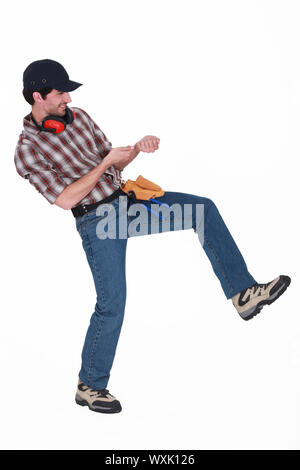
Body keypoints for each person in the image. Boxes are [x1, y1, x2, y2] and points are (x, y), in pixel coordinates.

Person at [14, 59, 291, 414]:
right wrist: (103, 165)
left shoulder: (79, 116)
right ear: (37, 97)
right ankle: (90, 386)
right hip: (98, 222)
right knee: (112, 303)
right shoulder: (27, 150)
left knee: (202, 209)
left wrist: (134, 149)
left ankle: (243, 295)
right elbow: (66, 198)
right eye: (59, 92)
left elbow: (114, 163)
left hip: (128, 202)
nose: (68, 97)